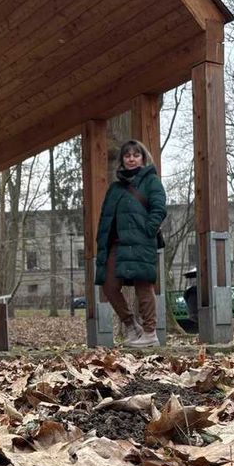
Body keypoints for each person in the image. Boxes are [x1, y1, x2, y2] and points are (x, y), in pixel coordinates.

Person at [93, 139, 166, 347]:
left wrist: (148, 231)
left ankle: (151, 333)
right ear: (122, 160)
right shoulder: (115, 188)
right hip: (116, 245)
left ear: (143, 158)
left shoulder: (151, 181)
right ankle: (133, 327)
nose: (131, 159)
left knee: (143, 284)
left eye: (136, 155)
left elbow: (159, 208)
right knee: (109, 285)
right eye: (127, 155)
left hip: (140, 242)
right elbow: (105, 217)